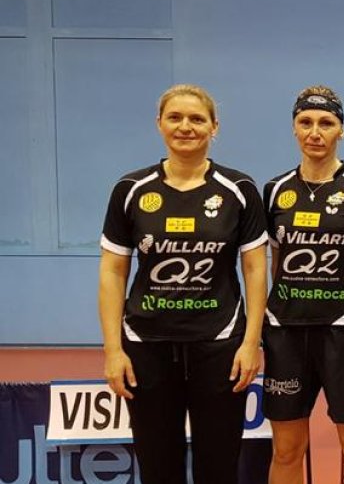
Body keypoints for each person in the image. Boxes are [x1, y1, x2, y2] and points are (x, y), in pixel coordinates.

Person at [98, 84, 268, 484]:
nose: (186, 127)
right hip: (146, 347)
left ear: (214, 127)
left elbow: (256, 270)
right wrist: (112, 350)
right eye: (175, 117)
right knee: (158, 468)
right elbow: (112, 271)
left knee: (219, 466)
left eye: (197, 119)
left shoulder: (239, 190)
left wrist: (250, 342)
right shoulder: (131, 190)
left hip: (220, 346)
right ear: (159, 124)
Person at [262, 86, 344, 484]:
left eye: (326, 123)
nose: (315, 132)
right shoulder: (275, 190)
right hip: (286, 334)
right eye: (306, 122)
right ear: (295, 129)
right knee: (286, 449)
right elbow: (276, 260)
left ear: (341, 131)